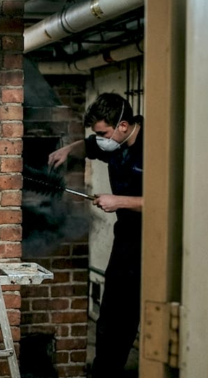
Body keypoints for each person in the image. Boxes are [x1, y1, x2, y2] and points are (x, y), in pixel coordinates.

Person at [48, 93, 144, 378]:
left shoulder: (156, 146)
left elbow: (169, 201)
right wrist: (68, 150)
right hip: (126, 235)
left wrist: (119, 201)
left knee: (128, 313)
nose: (100, 138)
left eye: (103, 132)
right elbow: (89, 146)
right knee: (112, 312)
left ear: (123, 126)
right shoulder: (114, 142)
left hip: (155, 239)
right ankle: (104, 371)